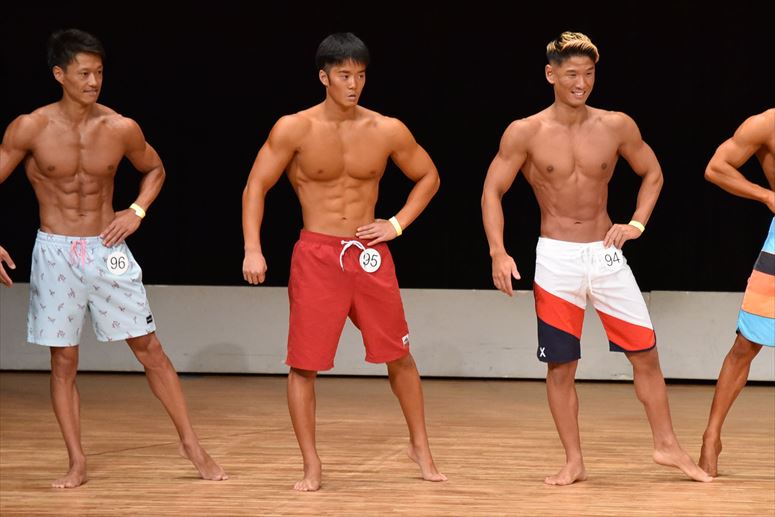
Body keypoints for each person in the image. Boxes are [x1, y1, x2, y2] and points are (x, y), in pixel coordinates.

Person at [481, 31, 712, 485]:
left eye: (588, 74)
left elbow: (653, 173)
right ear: (550, 75)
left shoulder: (615, 125)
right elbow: (492, 191)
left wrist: (637, 224)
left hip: (605, 253)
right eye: (571, 74)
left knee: (645, 353)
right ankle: (574, 460)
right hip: (556, 260)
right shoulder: (525, 132)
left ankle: (666, 445)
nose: (581, 83)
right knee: (561, 365)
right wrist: (498, 251)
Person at [0, 28, 227, 488]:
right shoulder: (30, 127)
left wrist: (137, 211)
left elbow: (155, 168)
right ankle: (77, 461)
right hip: (56, 252)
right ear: (59, 74)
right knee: (64, 360)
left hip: (107, 248)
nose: (93, 82)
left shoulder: (121, 127)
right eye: (84, 73)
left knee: (150, 348)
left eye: (99, 73)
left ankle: (191, 444)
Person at [242, 32, 446, 491]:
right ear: (324, 77)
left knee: (399, 355)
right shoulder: (294, 128)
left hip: (369, 254)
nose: (354, 84)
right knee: (304, 364)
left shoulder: (387, 129)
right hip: (317, 255)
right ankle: (311, 464)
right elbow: (256, 185)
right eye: (344, 75)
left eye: (360, 75)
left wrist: (396, 225)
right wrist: (253, 247)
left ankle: (420, 447)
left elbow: (429, 176)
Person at [699, 108, 775, 477]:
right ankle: (711, 437)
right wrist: (765, 195)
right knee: (746, 344)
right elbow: (716, 168)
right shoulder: (768, 123)